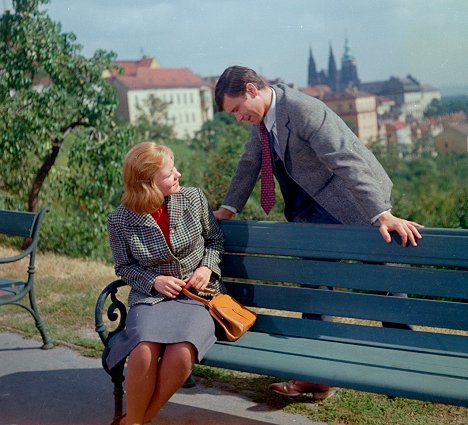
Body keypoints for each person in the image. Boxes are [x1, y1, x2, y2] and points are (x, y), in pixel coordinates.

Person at [213, 65, 423, 399]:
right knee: (314, 280)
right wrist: (229, 208)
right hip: (313, 207)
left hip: (352, 197)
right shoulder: (264, 118)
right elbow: (249, 163)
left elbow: (345, 160)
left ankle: (410, 364)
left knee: (383, 281)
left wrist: (381, 213)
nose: (238, 118)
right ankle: (317, 374)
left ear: (252, 90)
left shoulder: (302, 109)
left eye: (237, 109)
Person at [106, 142, 225, 425]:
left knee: (182, 352)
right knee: (144, 350)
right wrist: (154, 280)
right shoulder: (120, 219)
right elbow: (123, 267)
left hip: (197, 298)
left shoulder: (193, 198)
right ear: (148, 183)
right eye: (170, 173)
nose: (178, 175)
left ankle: (134, 421)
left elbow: (215, 241)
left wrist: (207, 268)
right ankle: (136, 421)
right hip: (151, 300)